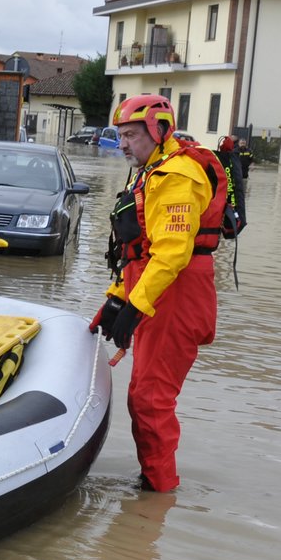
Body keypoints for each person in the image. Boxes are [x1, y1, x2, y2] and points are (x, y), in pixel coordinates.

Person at [91, 94, 226, 492]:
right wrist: (117, 296)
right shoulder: (151, 171)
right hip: (154, 290)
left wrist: (135, 305)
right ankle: (154, 482)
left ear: (159, 130)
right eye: (120, 136)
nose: (124, 145)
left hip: (177, 296)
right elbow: (141, 249)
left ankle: (159, 492)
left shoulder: (178, 176)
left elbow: (172, 253)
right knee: (143, 395)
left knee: (151, 398)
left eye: (131, 134)